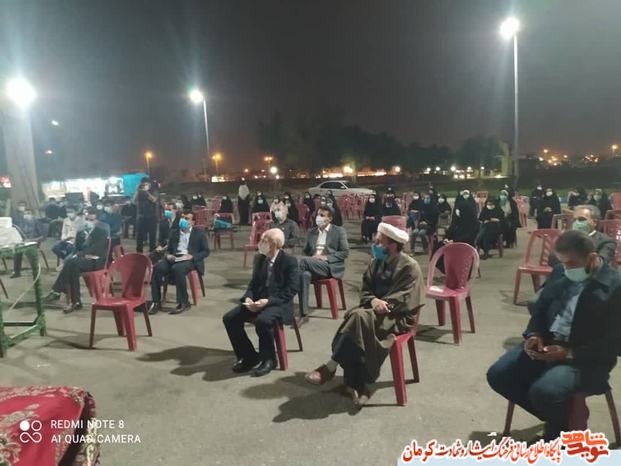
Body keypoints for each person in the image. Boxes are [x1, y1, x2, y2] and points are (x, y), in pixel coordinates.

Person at [487, 230, 621, 441]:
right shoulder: (561, 272)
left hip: (588, 360)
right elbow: (540, 308)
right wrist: (534, 334)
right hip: (549, 345)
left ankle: (557, 434)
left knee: (545, 392)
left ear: (592, 258)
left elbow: (614, 344)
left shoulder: (615, 287)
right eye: (562, 263)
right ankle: (563, 419)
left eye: (571, 264)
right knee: (499, 375)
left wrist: (568, 353)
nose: (567, 269)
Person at [305, 222, 424, 406]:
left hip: (398, 316)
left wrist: (382, 304)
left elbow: (405, 298)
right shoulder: (376, 263)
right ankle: (359, 384)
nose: (375, 245)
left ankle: (332, 366)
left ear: (393, 245)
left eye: (379, 242)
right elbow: (366, 290)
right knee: (358, 320)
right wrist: (373, 301)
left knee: (358, 318)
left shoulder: (410, 267)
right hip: (372, 311)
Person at [223, 228, 300, 377]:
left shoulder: (289, 261)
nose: (261, 243)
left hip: (279, 302)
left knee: (262, 321)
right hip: (258, 300)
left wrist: (268, 301)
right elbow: (254, 283)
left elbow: (291, 289)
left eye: (265, 240)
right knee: (229, 319)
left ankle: (269, 359)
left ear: (275, 244)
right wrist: (248, 298)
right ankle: (249, 356)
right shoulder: (260, 259)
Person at [43, 209, 110, 313]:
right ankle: (76, 302)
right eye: (87, 219)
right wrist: (80, 235)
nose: (89, 222)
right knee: (73, 267)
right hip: (83, 259)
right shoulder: (83, 231)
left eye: (92, 220)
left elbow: (97, 249)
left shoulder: (101, 231)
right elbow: (78, 247)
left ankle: (57, 290)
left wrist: (81, 255)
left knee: (71, 262)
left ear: (97, 221)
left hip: (96, 260)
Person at [148, 212, 210, 315]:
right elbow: (169, 249)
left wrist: (193, 256)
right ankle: (156, 301)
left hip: (190, 259)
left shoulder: (199, 233)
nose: (183, 220)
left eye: (187, 218)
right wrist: (168, 255)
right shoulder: (174, 232)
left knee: (177, 269)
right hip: (175, 257)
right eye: (182, 218)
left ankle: (184, 302)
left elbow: (206, 251)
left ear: (193, 222)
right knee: (158, 267)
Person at [298, 206, 349, 318]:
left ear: (330, 219)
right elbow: (305, 251)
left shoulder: (339, 231)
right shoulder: (311, 232)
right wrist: (311, 259)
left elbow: (345, 252)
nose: (318, 217)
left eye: (322, 215)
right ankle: (304, 311)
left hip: (329, 266)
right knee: (304, 274)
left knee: (300, 261)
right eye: (318, 215)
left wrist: (326, 257)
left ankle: (284, 296)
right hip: (312, 264)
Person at [134, 177, 159, 253]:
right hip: (141, 216)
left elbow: (154, 200)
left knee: (152, 234)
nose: (145, 185)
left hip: (152, 216)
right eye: (143, 184)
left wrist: (146, 192)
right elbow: (134, 201)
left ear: (149, 184)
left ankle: (152, 250)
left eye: (146, 184)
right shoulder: (139, 191)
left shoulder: (153, 190)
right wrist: (138, 191)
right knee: (139, 234)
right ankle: (139, 250)